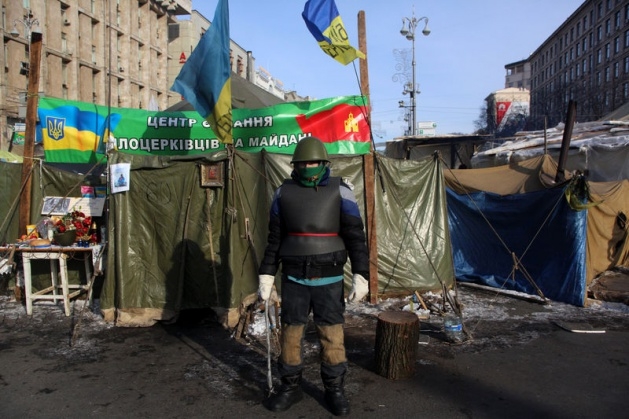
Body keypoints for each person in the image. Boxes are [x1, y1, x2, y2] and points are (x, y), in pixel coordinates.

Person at [258, 136, 370, 416]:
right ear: (295, 164)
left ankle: (334, 389)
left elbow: (355, 236)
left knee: (332, 335)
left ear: (323, 163)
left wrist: (361, 274)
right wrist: (267, 274)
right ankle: (290, 387)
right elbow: (274, 239)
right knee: (290, 334)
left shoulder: (341, 191)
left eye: (313, 162)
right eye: (303, 163)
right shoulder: (283, 193)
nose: (308, 167)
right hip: (294, 278)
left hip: (329, 280)